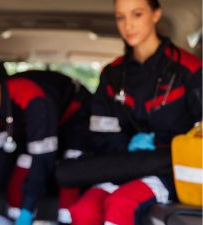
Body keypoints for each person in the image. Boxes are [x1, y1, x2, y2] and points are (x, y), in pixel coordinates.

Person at [66, 0, 202, 224]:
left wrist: (160, 144)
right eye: (121, 17)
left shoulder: (190, 70)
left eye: (137, 14)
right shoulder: (112, 75)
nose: (128, 25)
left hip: (170, 171)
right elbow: (101, 133)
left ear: (156, 14)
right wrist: (127, 148)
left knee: (121, 205)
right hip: (123, 164)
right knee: (84, 209)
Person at [0, 58, 92, 225]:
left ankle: (66, 221)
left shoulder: (29, 96)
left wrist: (27, 210)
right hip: (42, 125)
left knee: (71, 172)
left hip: (77, 117)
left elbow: (42, 160)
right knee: (20, 178)